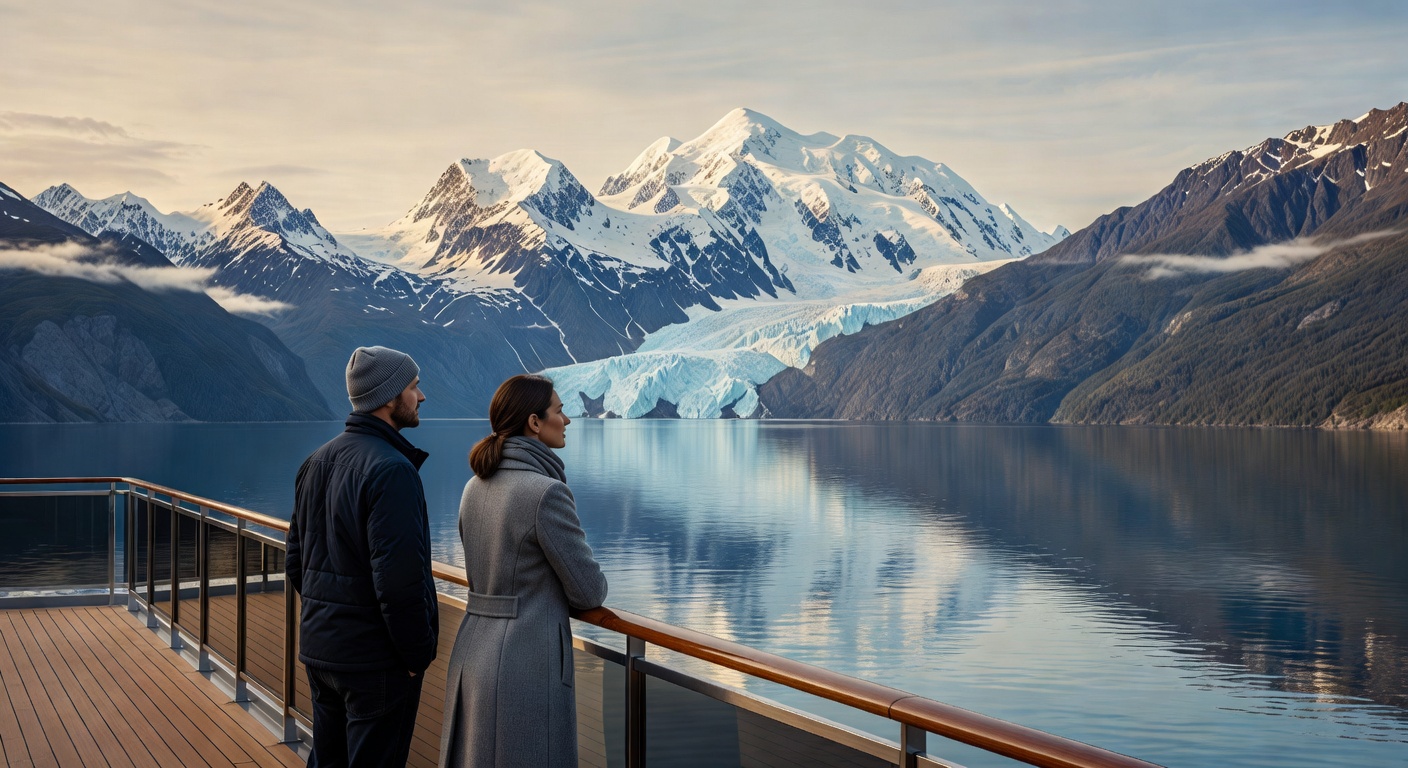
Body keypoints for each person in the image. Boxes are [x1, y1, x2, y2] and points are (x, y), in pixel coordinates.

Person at [440, 374, 608, 768]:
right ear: (534, 422)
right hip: (524, 664)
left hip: (471, 651)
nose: (567, 420)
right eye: (560, 411)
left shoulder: (473, 487)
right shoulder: (545, 493)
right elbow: (589, 592)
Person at [287, 345, 439, 768]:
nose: (421, 396)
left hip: (322, 652)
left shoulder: (314, 462)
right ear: (390, 398)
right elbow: (399, 582)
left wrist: (330, 619)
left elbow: (296, 562)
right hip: (375, 662)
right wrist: (415, 655)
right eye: (414, 386)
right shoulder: (392, 470)